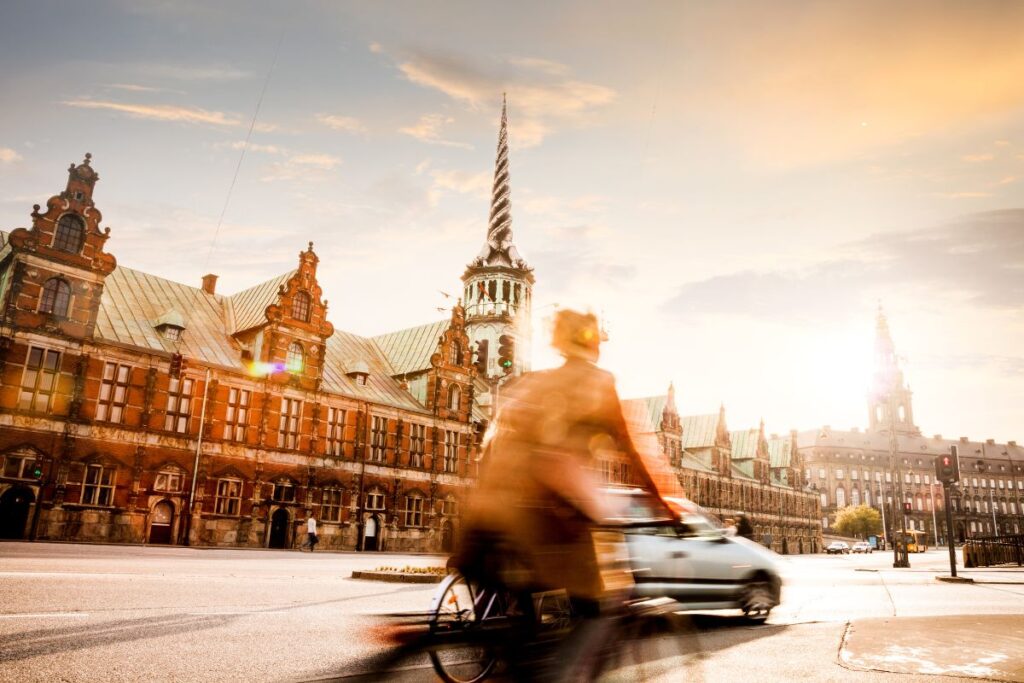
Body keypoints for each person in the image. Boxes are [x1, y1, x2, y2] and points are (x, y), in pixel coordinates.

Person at [452, 309, 672, 678]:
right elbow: (633, 452)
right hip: (543, 516)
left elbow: (492, 448)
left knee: (522, 616)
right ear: (593, 344)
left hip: (487, 514)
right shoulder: (596, 383)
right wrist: (664, 501)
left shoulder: (530, 383)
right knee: (595, 607)